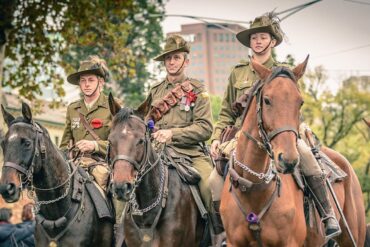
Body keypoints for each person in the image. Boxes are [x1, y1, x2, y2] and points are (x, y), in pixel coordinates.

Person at [209, 13, 340, 239]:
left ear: (272, 41)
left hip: (278, 134)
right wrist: (216, 137)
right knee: (213, 180)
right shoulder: (237, 72)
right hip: (241, 138)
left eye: (262, 37)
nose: (258, 41)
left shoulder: (283, 71)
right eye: (254, 38)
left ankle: (327, 215)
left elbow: (292, 106)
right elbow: (226, 112)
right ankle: (224, 232)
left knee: (308, 159)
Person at [139, 34, 221, 243]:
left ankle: (218, 236)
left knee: (212, 186)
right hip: (157, 154)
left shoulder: (197, 89)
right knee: (127, 185)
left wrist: (172, 134)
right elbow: (146, 125)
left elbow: (205, 128)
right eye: (168, 59)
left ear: (186, 61)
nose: (172, 62)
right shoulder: (155, 91)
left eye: (176, 58)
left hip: (190, 154)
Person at [59, 55, 124, 228]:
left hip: (104, 163)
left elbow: (122, 144)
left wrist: (95, 145)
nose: (86, 84)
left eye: (91, 80)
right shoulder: (73, 108)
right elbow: (64, 143)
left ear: (100, 82)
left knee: (117, 189)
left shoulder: (113, 106)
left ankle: (118, 228)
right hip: (75, 164)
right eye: (83, 80)